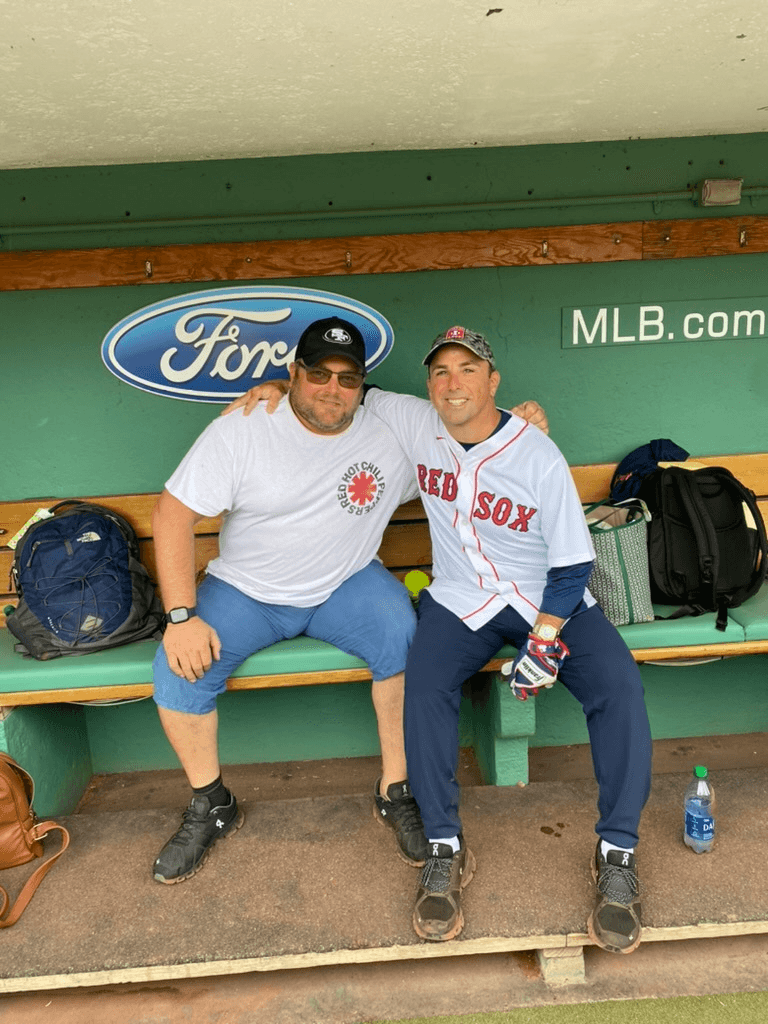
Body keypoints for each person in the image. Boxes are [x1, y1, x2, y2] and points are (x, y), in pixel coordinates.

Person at [236, 326, 652, 956]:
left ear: (493, 380)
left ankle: (617, 851)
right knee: (423, 686)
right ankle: (443, 845)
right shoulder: (413, 419)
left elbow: (572, 566)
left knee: (618, 688)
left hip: (545, 599)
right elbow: (345, 391)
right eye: (440, 371)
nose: (453, 383)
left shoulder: (536, 451)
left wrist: (545, 638)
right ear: (429, 383)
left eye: (468, 369)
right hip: (461, 599)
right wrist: (279, 385)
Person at [150, 316, 428, 884]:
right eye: (318, 374)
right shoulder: (246, 427)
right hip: (247, 591)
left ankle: (395, 789)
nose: (332, 389)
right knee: (178, 670)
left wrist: (523, 420)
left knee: (403, 637)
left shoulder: (392, 429)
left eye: (347, 379)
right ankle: (212, 803)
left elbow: (469, 429)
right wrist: (180, 618)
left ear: (364, 385)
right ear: (293, 372)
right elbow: (171, 515)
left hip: (345, 585)